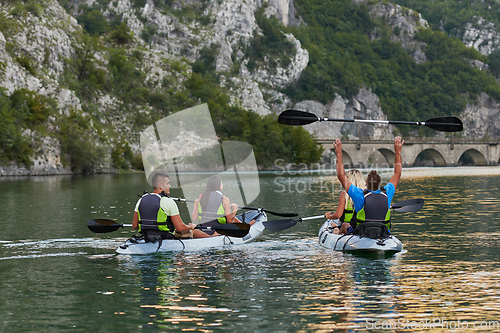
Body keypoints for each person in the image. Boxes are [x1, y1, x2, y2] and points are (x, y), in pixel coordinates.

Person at [333, 136, 404, 232]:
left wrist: (339, 155)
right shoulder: (387, 193)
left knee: (345, 225)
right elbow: (397, 174)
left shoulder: (359, 194)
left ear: (366, 183)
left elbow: (341, 176)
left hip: (361, 233)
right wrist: (398, 152)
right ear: (379, 184)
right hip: (382, 233)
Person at [132, 172, 211, 241]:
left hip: (146, 237)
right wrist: (191, 227)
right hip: (166, 238)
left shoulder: (141, 199)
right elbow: (180, 228)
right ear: (160, 185)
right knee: (194, 231)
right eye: (168, 183)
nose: (170, 186)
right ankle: (214, 239)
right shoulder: (168, 201)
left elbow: (135, 226)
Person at [324, 169, 365, 234]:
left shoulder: (345, 194)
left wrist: (329, 216)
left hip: (348, 226)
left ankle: (336, 228)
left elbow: (338, 215)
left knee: (337, 223)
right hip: (362, 226)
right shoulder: (366, 193)